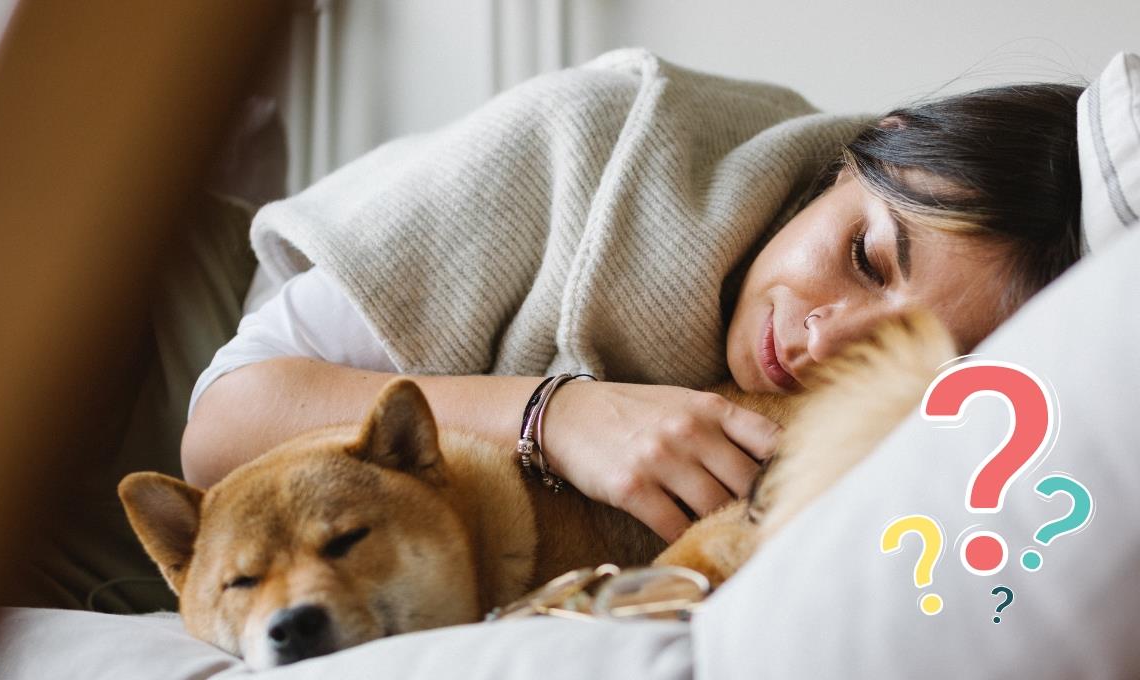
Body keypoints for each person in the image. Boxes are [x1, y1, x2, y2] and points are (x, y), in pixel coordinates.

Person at [182, 76, 1084, 545]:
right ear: (871, 147)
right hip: (145, 371)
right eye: (865, 256)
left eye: (909, 355)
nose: (824, 344)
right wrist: (556, 412)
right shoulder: (600, 136)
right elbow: (223, 426)